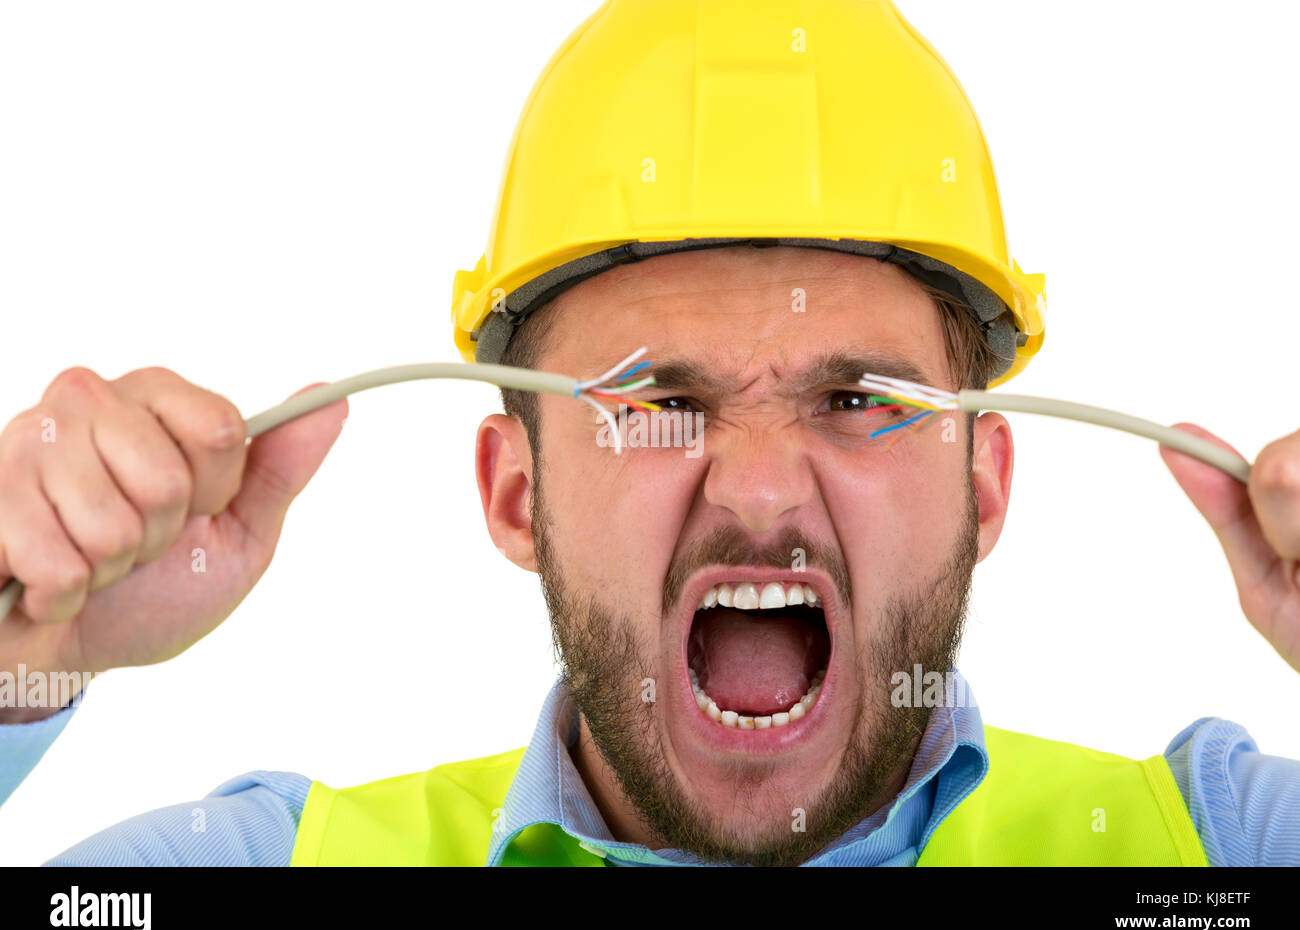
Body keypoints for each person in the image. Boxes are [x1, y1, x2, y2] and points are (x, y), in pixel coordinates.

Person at [2, 0, 1298, 866]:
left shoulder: (1211, 855)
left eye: (858, 402)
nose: (759, 488)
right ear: (518, 494)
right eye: (658, 404)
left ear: (986, 486)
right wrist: (23, 663)